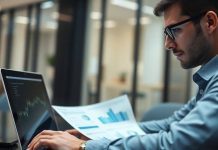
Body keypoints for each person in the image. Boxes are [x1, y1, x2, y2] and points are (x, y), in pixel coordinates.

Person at [28, 0, 218, 149]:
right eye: (165, 33)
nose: (167, 44)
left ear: (210, 22)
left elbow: (175, 143)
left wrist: (84, 147)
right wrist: (97, 136)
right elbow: (171, 124)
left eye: (174, 30)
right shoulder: (209, 80)